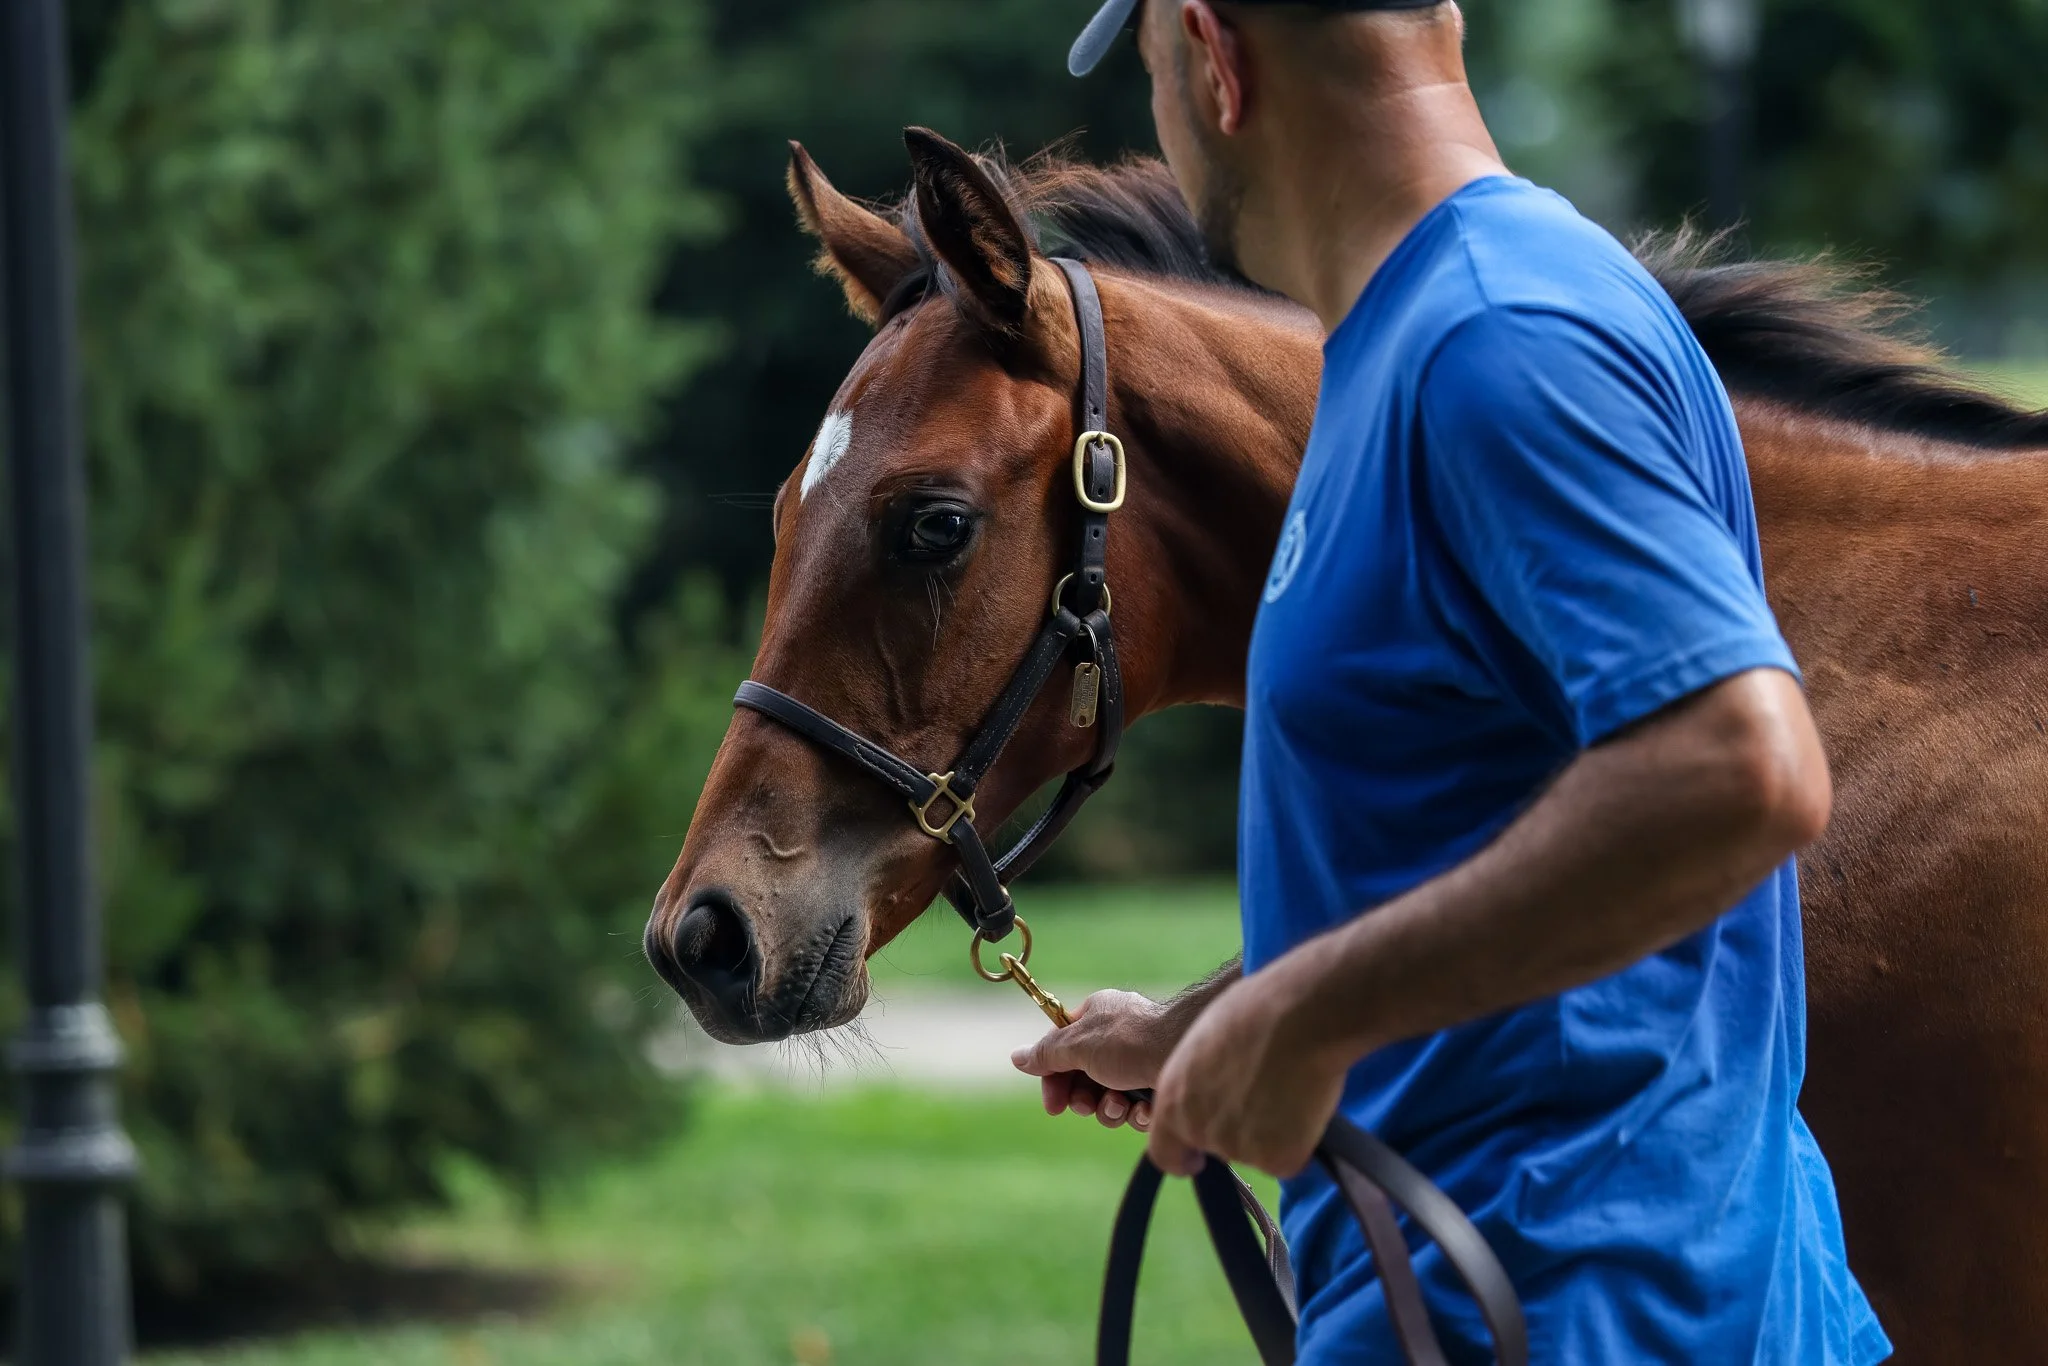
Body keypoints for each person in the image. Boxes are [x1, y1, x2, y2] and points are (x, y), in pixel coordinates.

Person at [1010, 2, 1892, 1361]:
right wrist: (1227, 1013)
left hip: (1575, 1306)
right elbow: (1486, 819)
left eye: (1150, 73)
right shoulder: (1444, 325)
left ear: (1214, 56)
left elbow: (1739, 767)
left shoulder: (1497, 338)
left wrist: (1308, 1018)